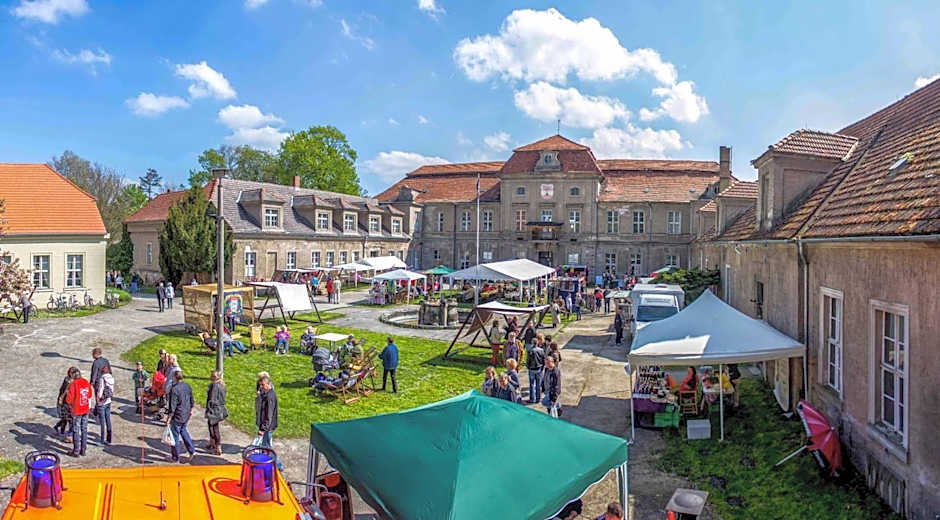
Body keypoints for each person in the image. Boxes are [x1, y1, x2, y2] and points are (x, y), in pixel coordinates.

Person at [165, 371, 195, 463]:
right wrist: (190, 410)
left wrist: (168, 418)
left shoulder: (174, 389)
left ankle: (175, 457)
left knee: (174, 437)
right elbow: (192, 400)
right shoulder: (187, 386)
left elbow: (172, 406)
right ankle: (191, 451)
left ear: (174, 378)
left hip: (178, 415)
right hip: (186, 414)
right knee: (183, 431)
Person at [255, 375, 282, 470]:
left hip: (268, 427)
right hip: (268, 426)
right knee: (265, 447)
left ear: (268, 384)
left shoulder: (270, 397)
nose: (261, 387)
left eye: (262, 385)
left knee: (267, 447)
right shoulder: (267, 394)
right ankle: (265, 463)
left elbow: (268, 416)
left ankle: (277, 465)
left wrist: (262, 429)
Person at [65, 368, 93, 457]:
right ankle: (83, 449)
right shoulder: (85, 382)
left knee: (76, 430)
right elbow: (90, 395)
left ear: (73, 375)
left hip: (77, 410)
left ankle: (76, 451)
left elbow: (69, 400)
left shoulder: (73, 384)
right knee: (84, 429)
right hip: (85, 409)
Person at [205, 370, 228, 456]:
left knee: (213, 428)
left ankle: (217, 446)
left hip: (214, 409)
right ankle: (212, 442)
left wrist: (209, 408)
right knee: (213, 426)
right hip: (220, 409)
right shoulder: (222, 385)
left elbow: (212, 399)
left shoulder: (214, 386)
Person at [54, 367, 76, 439]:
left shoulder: (74, 380)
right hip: (65, 401)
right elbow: (64, 391)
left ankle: (64, 431)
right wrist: (61, 399)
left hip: (70, 402)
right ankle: (61, 430)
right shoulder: (67, 380)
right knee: (66, 418)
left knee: (68, 419)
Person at [95, 365, 114, 445]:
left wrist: (98, 400)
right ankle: (109, 439)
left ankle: (102, 440)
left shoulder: (102, 378)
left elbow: (100, 389)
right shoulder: (111, 378)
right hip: (108, 401)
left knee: (102, 422)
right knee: (108, 420)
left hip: (102, 402)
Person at [525, 337, 545, 404]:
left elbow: (528, 361)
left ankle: (532, 399)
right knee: (538, 384)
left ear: (532, 343)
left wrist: (528, 367)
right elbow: (543, 360)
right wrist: (542, 367)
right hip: (539, 368)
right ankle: (538, 399)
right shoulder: (541, 350)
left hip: (532, 369)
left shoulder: (530, 350)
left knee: (532, 384)